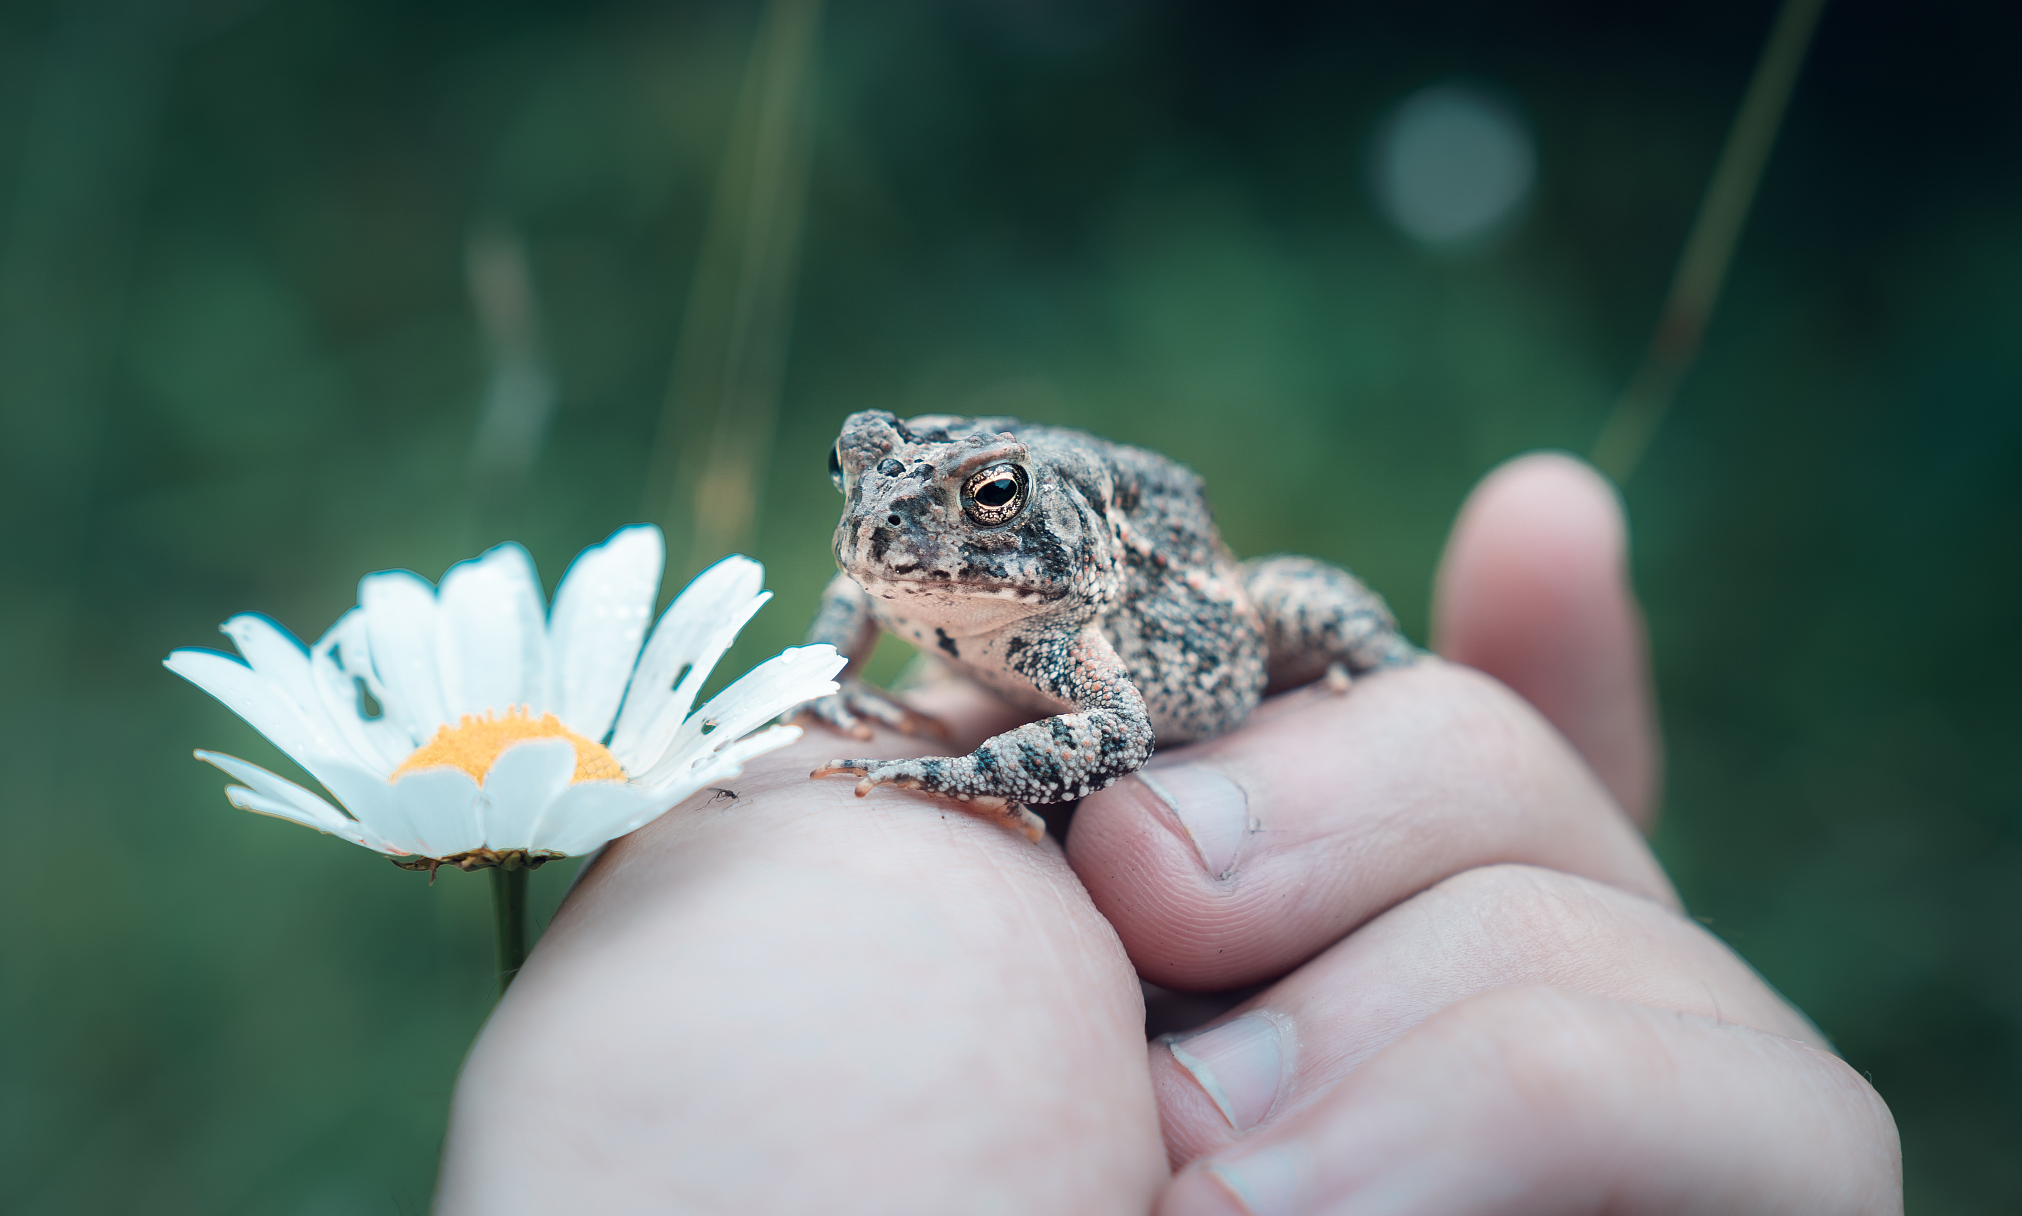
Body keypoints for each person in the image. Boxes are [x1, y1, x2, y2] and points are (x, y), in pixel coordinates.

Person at [436, 454, 1902, 1214]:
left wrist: (965, 773)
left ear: (1042, 519)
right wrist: (830, 689)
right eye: (862, 482)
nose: (887, 525)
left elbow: (1119, 728)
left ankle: (1377, 668)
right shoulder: (903, 572)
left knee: (1313, 607)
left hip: (1194, 611)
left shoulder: (1071, 621)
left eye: (979, 502)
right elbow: (863, 595)